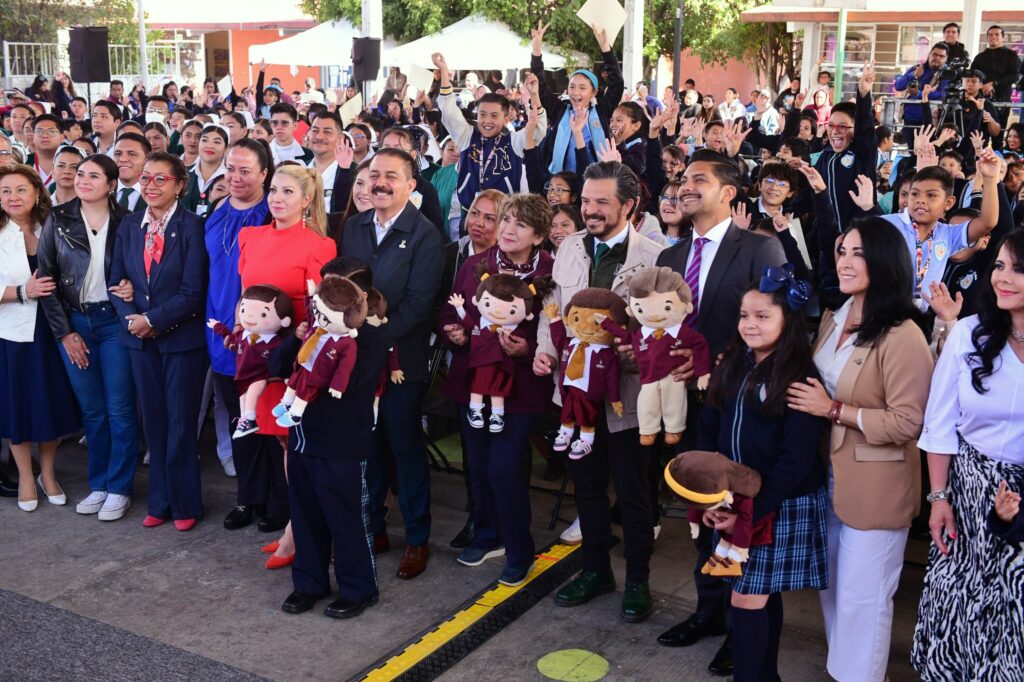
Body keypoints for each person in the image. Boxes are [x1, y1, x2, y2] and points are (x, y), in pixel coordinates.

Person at [654, 151, 785, 675]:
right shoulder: (670, 256)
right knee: (700, 510)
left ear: (729, 192)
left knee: (740, 516)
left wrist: (725, 359)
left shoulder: (759, 247)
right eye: (682, 180)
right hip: (681, 403)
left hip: (740, 408)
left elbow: (780, 323)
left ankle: (740, 626)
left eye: (698, 180)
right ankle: (708, 610)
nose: (685, 188)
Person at [787, 217, 933, 682]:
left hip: (877, 482)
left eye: (859, 253)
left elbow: (910, 421)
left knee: (863, 598)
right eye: (842, 251)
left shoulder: (903, 333)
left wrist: (835, 410)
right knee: (833, 589)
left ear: (885, 261)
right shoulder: (835, 316)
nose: (846, 262)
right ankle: (850, 672)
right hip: (827, 474)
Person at [533, 161, 664, 623]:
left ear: (629, 205)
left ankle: (637, 581)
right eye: (586, 201)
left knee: (633, 494)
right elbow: (554, 308)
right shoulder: (568, 247)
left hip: (627, 397)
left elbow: (667, 327)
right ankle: (595, 570)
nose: (589, 209)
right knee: (585, 488)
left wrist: (637, 353)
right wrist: (543, 350)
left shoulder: (655, 253)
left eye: (601, 202)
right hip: (574, 396)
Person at [698, 271, 827, 681]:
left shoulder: (800, 377)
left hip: (777, 503)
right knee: (756, 596)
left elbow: (797, 459)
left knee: (746, 599)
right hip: (733, 501)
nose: (750, 324)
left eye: (762, 316)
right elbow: (711, 428)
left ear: (787, 320)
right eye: (743, 315)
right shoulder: (733, 363)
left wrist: (751, 511)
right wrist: (711, 496)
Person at [912, 231, 1024, 678]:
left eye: (1018, 268)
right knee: (961, 603)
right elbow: (938, 424)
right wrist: (938, 499)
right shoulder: (967, 335)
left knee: (1013, 608)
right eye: (999, 265)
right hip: (968, 493)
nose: (1003, 277)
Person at [339, 148, 444, 581]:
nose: (379, 183)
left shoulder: (425, 236)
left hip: (403, 362)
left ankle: (417, 539)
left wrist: (373, 335)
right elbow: (343, 288)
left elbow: (420, 305)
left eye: (391, 177)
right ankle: (374, 528)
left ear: (410, 184)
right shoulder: (354, 227)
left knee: (404, 448)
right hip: (360, 361)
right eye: (374, 175)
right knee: (367, 445)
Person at [439, 193, 554, 585]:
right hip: (474, 380)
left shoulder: (551, 273)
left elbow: (558, 331)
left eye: (520, 224)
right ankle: (489, 535)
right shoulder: (476, 265)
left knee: (503, 467)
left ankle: (519, 548)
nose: (506, 229)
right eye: (506, 220)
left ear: (539, 236)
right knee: (478, 465)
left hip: (521, 388)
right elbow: (451, 312)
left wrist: (531, 350)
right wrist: (453, 333)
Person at [237, 163, 337, 566]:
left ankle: (299, 534)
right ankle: (296, 531)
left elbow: (319, 309)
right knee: (280, 442)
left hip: (294, 357)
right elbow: (245, 295)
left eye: (287, 193)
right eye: (274, 190)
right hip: (257, 353)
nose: (277, 199)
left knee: (296, 444)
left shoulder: (320, 245)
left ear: (307, 199)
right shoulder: (250, 236)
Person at [108, 152, 209, 531]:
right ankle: (160, 499)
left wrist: (153, 320)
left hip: (181, 340)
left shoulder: (192, 226)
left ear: (180, 185)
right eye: (145, 179)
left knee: (181, 424)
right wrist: (133, 321)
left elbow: (193, 290)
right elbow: (117, 282)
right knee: (154, 423)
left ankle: (185, 504)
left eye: (160, 179)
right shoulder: (130, 225)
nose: (150, 186)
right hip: (140, 341)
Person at [37, 153, 140, 521]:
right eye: (80, 174)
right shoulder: (58, 218)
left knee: (121, 409)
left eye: (93, 176)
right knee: (93, 412)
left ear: (111, 184)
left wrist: (130, 287)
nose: (82, 180)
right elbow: (45, 282)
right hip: (75, 324)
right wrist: (64, 333)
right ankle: (99, 484)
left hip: (114, 323)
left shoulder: (128, 221)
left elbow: (139, 272)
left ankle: (120, 486)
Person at [0, 165, 81, 512]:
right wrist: (22, 291)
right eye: (5, 191)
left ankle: (48, 474)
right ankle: (24, 476)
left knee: (49, 403)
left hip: (51, 329)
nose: (13, 197)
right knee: (18, 406)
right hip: (12, 332)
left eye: (21, 190)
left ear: (36, 193)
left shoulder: (52, 227)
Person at [205, 139, 276, 531]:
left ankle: (272, 500)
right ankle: (247, 498)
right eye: (230, 168)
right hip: (220, 332)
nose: (235, 177)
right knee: (238, 420)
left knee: (264, 418)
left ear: (264, 173)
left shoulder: (272, 213)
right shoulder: (217, 210)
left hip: (260, 334)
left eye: (245, 170)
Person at [433, 53, 543, 211]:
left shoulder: (513, 141)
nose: (487, 121)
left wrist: (534, 95)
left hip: (504, 216)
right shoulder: (467, 136)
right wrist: (444, 71)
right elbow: (449, 111)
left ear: (506, 119)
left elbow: (537, 131)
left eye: (494, 116)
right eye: (482, 115)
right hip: (471, 212)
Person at [529, 21, 623, 174]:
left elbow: (617, 84)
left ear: (594, 92)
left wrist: (606, 49)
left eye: (582, 88)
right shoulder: (561, 111)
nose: (575, 92)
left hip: (595, 180)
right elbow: (541, 87)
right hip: (562, 181)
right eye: (572, 87)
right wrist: (536, 51)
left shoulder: (601, 111)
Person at [894, 43, 949, 145]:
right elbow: (898, 86)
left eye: (941, 56)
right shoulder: (918, 68)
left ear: (946, 59)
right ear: (929, 54)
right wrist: (913, 75)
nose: (937, 58)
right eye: (934, 54)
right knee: (911, 152)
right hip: (909, 119)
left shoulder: (947, 73)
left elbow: (942, 94)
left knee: (926, 153)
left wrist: (919, 94)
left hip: (930, 122)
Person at [971, 26, 1022, 127]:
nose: (993, 37)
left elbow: (1015, 76)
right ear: (987, 38)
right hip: (982, 100)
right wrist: (981, 86)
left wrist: (994, 84)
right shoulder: (979, 57)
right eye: (990, 35)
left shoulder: (1011, 55)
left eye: (997, 34)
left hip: (1003, 100)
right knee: (980, 131)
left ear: (1002, 37)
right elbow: (972, 76)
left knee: (999, 133)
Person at [184, 124, 228, 217]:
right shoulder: (183, 174)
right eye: (204, 140)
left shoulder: (230, 178)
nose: (210, 146)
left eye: (217, 142)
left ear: (226, 149)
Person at [113, 132, 152, 213]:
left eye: (132, 154)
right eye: (118, 154)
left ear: (147, 159)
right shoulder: (103, 190)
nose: (123, 159)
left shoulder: (158, 193)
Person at [29, 114, 63, 191]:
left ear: (62, 137)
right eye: (39, 131)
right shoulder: (24, 162)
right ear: (33, 137)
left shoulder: (71, 165)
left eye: (51, 131)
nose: (44, 135)